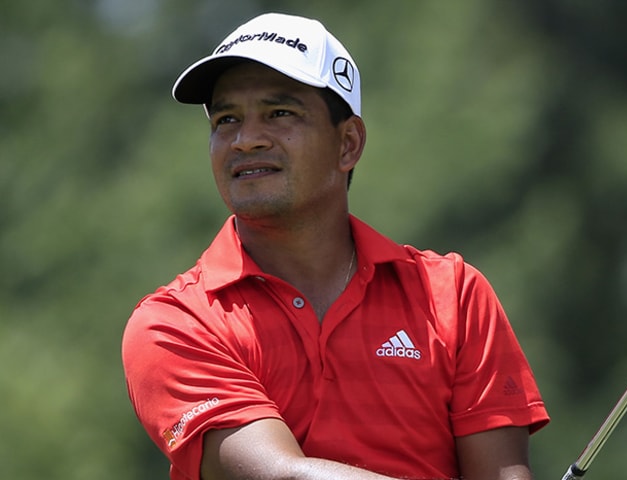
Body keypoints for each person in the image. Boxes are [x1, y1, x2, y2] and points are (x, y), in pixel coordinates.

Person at [122, 12, 549, 480]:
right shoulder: (174, 323)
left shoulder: (455, 296)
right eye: (227, 119)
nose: (245, 140)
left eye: (279, 113)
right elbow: (282, 476)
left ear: (348, 144)